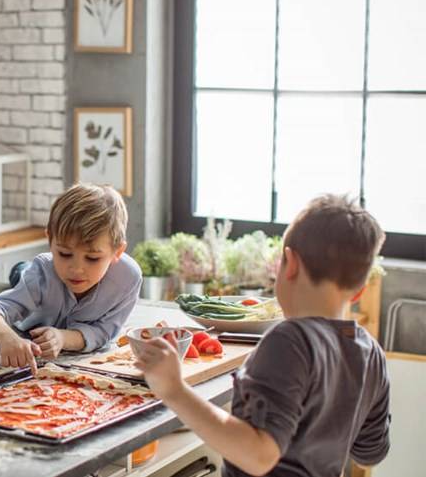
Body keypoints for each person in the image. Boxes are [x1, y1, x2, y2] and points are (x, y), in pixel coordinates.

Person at [134, 195, 390, 476]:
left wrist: (174, 390)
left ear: (289, 264)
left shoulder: (290, 340)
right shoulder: (370, 352)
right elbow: (370, 453)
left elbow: (259, 456)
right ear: (360, 290)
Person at [0, 183, 142, 374]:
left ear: (117, 252)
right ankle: (20, 270)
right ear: (50, 241)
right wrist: (6, 337)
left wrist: (62, 337)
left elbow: (103, 332)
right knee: (23, 273)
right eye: (64, 254)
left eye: (92, 258)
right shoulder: (42, 273)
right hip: (36, 275)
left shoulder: (128, 279)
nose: (77, 269)